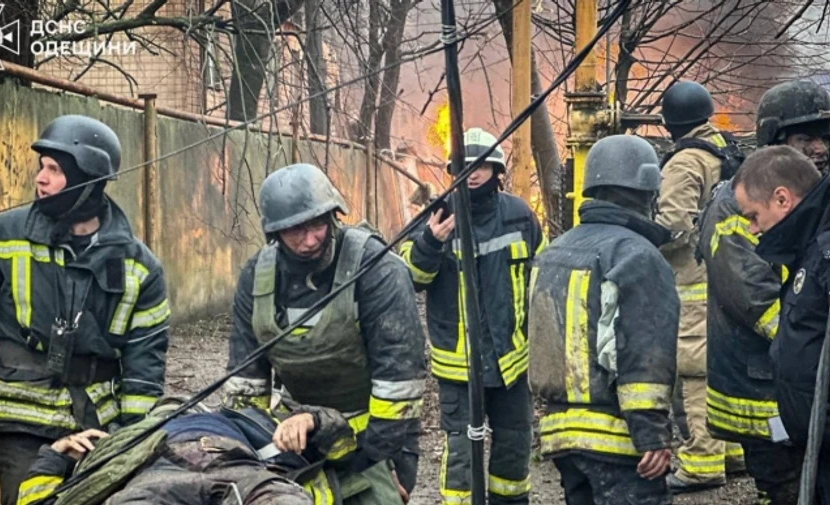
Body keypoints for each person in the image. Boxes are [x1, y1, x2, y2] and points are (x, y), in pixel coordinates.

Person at [0, 115, 170, 505]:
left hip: (98, 425)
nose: (40, 178)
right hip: (19, 424)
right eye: (41, 167)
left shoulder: (139, 265)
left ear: (87, 180)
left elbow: (146, 363)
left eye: (54, 170)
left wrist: (129, 440)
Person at [222, 163, 425, 504]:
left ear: (333, 216)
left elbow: (399, 384)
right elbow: (247, 386)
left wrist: (376, 463)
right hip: (300, 434)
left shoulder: (377, 269)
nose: (311, 239)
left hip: (378, 438)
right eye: (295, 230)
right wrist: (255, 452)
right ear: (274, 233)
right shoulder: (257, 277)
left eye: (318, 224)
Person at [528, 134, 678, 505]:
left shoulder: (554, 250)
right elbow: (643, 352)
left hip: (561, 437)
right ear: (646, 192)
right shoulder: (637, 255)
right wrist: (652, 435)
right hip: (619, 441)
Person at [400, 127, 545, 505]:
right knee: (462, 455)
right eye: (465, 164)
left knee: (514, 448)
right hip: (459, 368)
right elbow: (408, 281)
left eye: (481, 163)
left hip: (511, 363)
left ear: (497, 169)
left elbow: (542, 275)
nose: (473, 171)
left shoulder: (519, 215)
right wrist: (431, 243)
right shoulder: (436, 218)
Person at [16, 397, 362, 505]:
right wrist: (57, 452)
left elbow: (345, 448)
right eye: (167, 404)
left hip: (240, 469)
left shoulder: (244, 419)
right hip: (151, 477)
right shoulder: (123, 438)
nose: (178, 406)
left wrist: (311, 419)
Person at [657, 80, 745, 492]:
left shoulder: (685, 162)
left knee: (695, 369)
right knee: (726, 361)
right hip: (731, 277)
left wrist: (641, 237)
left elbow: (673, 226)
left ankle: (701, 462)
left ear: (671, 121)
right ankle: (734, 450)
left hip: (693, 280)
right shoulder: (726, 151)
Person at [735, 146, 830, 503]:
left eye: (754, 216)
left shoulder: (824, 253)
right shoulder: (810, 250)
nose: (752, 228)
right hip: (816, 451)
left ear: (782, 199)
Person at [756, 80, 830, 174]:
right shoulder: (747, 186)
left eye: (826, 138)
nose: (822, 149)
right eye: (806, 139)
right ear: (775, 144)